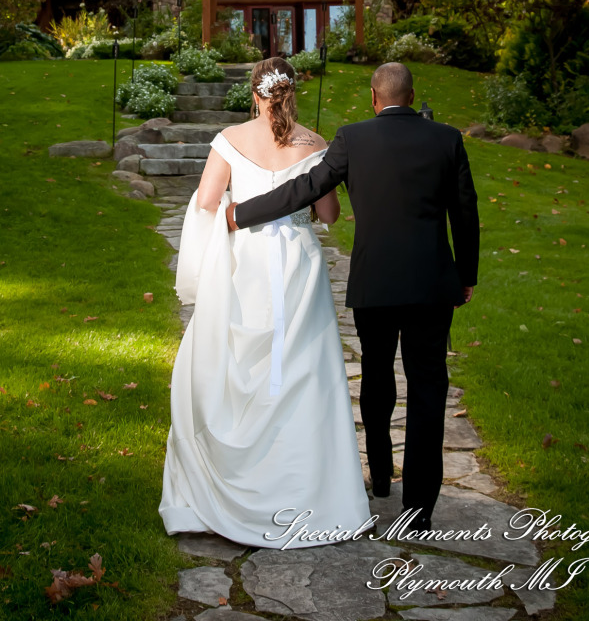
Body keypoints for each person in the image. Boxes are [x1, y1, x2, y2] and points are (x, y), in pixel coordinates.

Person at [227, 62, 480, 530]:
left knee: (378, 376)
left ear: (374, 96)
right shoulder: (446, 139)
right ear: (411, 94)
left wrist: (242, 213)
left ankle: (380, 475)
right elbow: (465, 212)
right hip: (431, 284)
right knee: (428, 387)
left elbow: (307, 188)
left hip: (375, 283)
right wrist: (466, 275)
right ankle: (419, 508)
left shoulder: (354, 138)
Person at [158, 57, 371, 545]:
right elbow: (331, 214)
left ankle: (225, 485)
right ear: (292, 92)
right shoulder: (316, 144)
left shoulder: (229, 140)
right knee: (303, 368)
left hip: (246, 263)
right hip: (299, 261)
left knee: (239, 364)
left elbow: (208, 203)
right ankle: (312, 491)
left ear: (255, 93)